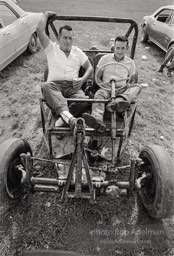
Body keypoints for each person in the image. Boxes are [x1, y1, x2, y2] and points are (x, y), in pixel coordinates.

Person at [36, 11, 93, 130]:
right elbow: (39, 30)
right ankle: (70, 119)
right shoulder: (51, 48)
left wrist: (82, 80)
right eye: (65, 37)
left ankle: (64, 118)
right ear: (58, 38)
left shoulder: (77, 52)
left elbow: (90, 67)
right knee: (45, 86)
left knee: (84, 100)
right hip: (54, 86)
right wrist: (45, 15)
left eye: (70, 38)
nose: (68, 41)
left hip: (72, 86)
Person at [82, 36, 141, 132]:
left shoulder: (130, 63)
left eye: (123, 48)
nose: (120, 51)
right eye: (118, 48)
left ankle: (119, 101)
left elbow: (133, 80)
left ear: (127, 48)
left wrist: (127, 86)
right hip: (106, 88)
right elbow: (96, 77)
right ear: (114, 47)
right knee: (99, 95)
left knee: (138, 87)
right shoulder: (105, 59)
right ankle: (97, 119)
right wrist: (104, 86)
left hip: (122, 91)